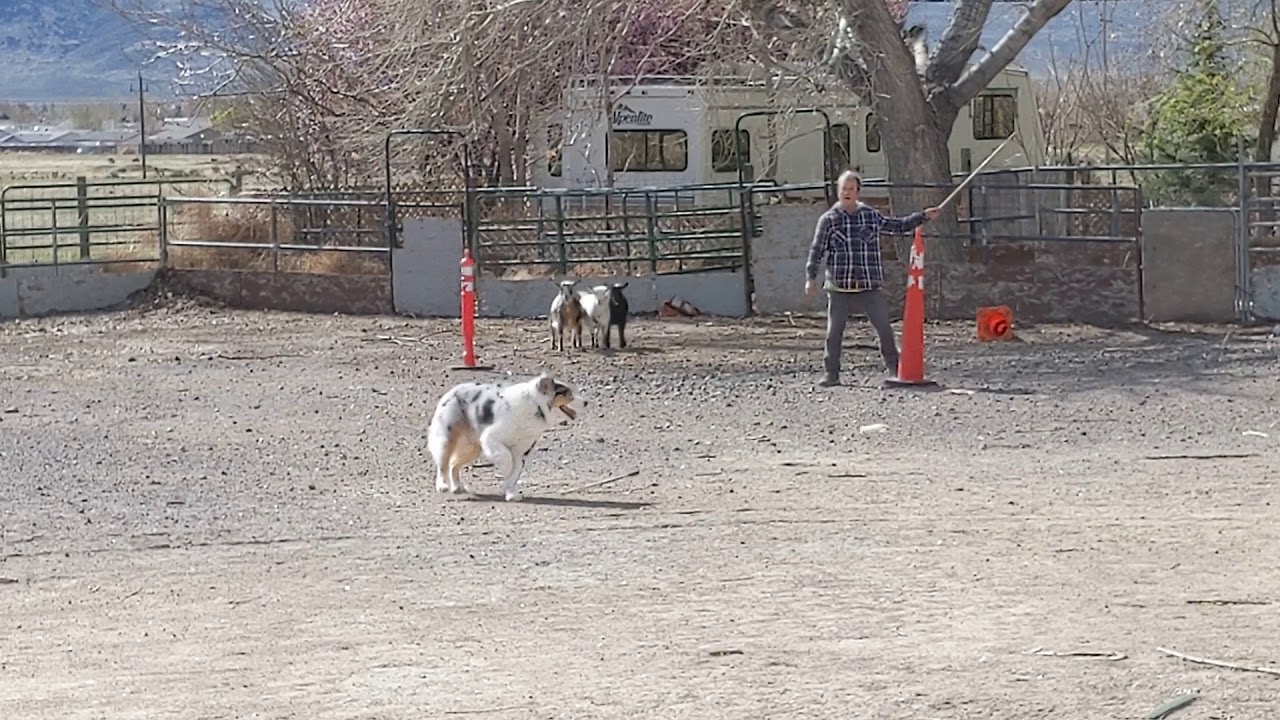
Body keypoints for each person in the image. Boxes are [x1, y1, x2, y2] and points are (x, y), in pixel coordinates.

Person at [804, 170, 940, 387]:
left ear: (858, 191)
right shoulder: (828, 220)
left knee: (884, 328)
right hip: (839, 285)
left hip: (868, 284)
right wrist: (811, 277)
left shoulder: (870, 215)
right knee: (834, 331)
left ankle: (897, 370)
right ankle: (832, 373)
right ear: (838, 192)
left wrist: (922, 216)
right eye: (843, 189)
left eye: (851, 189)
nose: (846, 192)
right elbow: (816, 250)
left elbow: (898, 225)